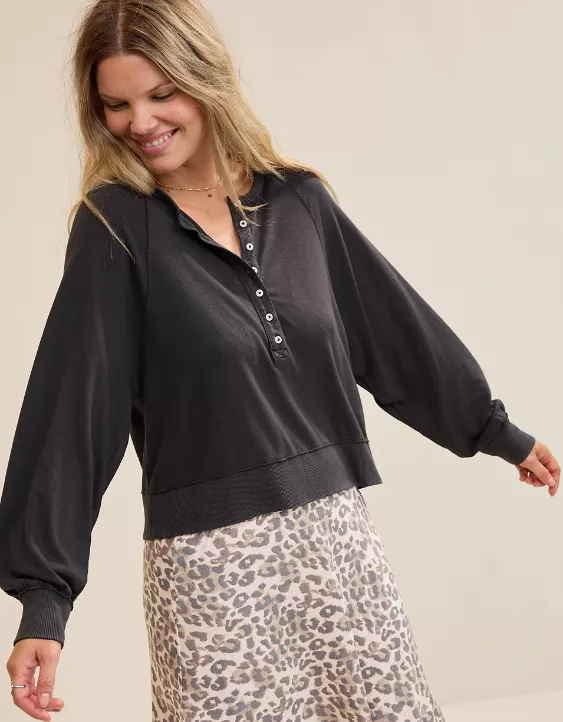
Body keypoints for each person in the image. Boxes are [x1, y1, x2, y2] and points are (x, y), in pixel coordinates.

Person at [1, 1, 559, 720]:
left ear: (205, 79)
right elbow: (73, 408)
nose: (140, 122)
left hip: (336, 541)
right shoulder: (116, 227)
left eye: (162, 93)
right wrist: (44, 604)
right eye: (116, 104)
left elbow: (395, 332)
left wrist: (496, 432)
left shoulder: (299, 202)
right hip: (210, 569)